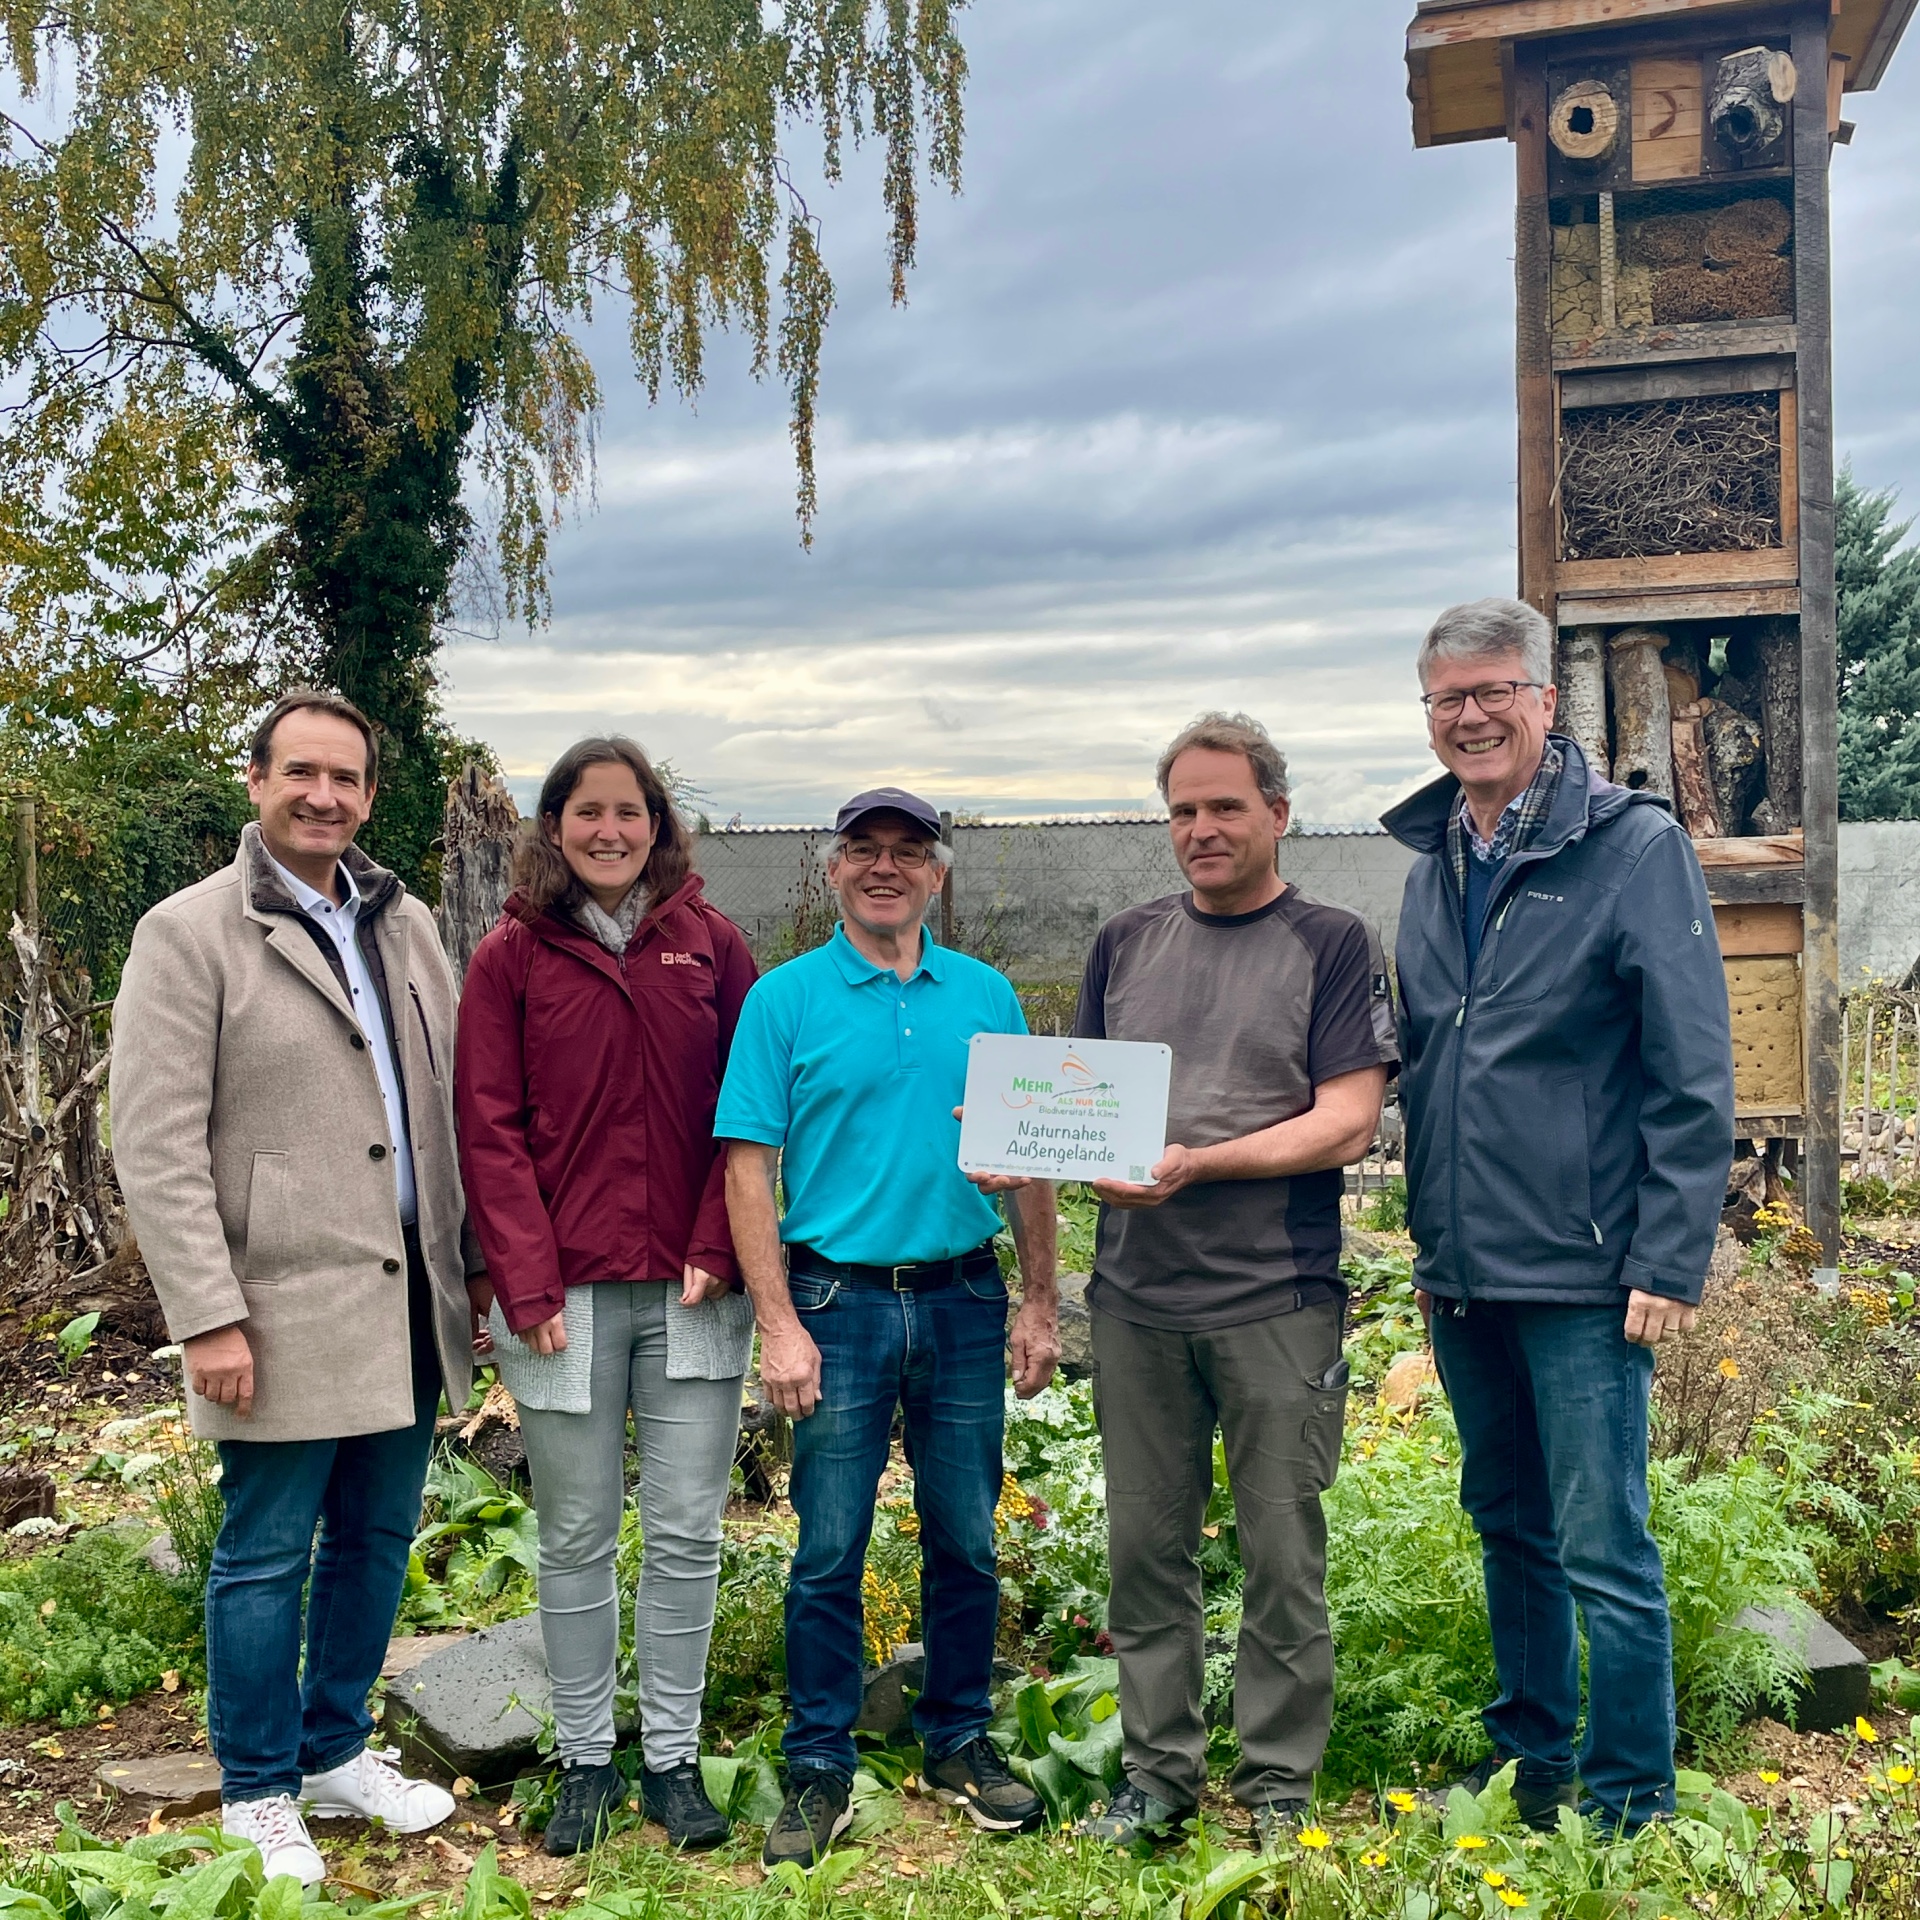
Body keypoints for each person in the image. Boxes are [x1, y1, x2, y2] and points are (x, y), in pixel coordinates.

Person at [111, 691, 479, 1885]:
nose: (325, 796)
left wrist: (471, 1267)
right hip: (274, 1304)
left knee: (376, 1537)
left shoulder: (406, 922)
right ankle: (259, 1785)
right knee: (266, 1549)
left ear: (372, 795)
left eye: (347, 779)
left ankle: (332, 1751)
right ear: (258, 780)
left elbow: (448, 1100)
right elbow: (155, 1140)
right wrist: (206, 1311)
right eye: (301, 773)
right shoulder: (190, 932)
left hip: (408, 1300)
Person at [1381, 598, 1734, 1834]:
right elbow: (1429, 1062)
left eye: (1493, 692)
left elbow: (1693, 1068)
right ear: (1426, 716)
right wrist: (1430, 1241)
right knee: (1509, 1527)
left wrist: (1669, 1255)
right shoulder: (1435, 866)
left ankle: (1632, 1797)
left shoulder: (1633, 849)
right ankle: (1538, 1768)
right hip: (1467, 1269)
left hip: (1588, 1275)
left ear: (1544, 701)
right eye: (1446, 699)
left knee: (1603, 1545)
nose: (1470, 716)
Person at [1067, 713, 1396, 1852]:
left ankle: (1275, 1791)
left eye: (1225, 807)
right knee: (1145, 1556)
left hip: (1276, 1300)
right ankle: (1158, 1779)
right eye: (1183, 811)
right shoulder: (1123, 942)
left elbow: (1348, 1120)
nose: (1202, 830)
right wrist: (1049, 1153)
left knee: (1280, 1558)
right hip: (1135, 1301)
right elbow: (1088, 1107)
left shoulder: (1334, 940)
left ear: (1277, 815)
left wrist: (1200, 1163)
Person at [715, 787, 1061, 1869]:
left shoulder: (988, 995)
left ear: (938, 874)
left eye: (908, 852)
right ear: (830, 872)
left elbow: (1033, 1158)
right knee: (827, 1545)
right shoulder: (785, 1000)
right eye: (863, 850)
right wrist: (776, 1321)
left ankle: (957, 1737)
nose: (885, 867)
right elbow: (746, 1169)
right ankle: (818, 1762)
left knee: (966, 1533)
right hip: (836, 1301)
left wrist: (1041, 1298)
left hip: (963, 1297)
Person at [455, 738, 758, 1855]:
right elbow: (485, 1128)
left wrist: (716, 1244)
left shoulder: (712, 947)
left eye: (629, 812)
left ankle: (673, 1760)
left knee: (684, 1533)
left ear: (657, 824)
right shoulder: (511, 958)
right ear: (554, 825)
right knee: (576, 1534)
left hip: (694, 1289)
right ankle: (585, 1756)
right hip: (561, 1297)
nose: (610, 832)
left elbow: (751, 1112)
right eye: (588, 813)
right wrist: (524, 1279)